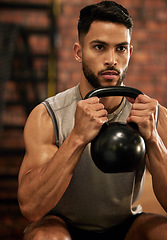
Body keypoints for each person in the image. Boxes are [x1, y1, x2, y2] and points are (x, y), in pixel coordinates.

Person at [18, 1, 167, 239]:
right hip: (61, 224)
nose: (111, 59)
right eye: (99, 47)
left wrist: (153, 140)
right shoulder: (48, 116)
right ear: (79, 52)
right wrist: (77, 137)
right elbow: (31, 207)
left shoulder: (153, 115)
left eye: (120, 48)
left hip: (126, 224)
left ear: (129, 52)